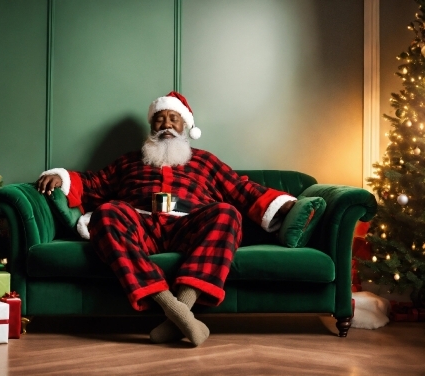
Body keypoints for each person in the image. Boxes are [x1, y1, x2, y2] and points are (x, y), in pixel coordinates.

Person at [36, 91, 295, 346]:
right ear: (151, 125)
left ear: (185, 126)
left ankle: (180, 311)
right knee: (106, 213)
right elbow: (96, 182)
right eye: (160, 119)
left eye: (174, 118)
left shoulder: (205, 161)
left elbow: (241, 189)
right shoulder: (130, 161)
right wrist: (62, 177)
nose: (167, 124)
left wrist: (282, 204)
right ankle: (174, 309)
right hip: (141, 226)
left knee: (226, 213)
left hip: (189, 226)